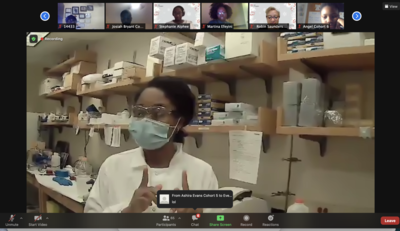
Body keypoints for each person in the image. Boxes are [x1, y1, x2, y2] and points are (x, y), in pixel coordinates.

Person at [84, 77, 219, 213]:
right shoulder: (113, 166)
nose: (146, 121)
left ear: (180, 122)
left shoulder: (202, 173)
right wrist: (127, 213)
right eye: (140, 112)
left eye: (158, 112)